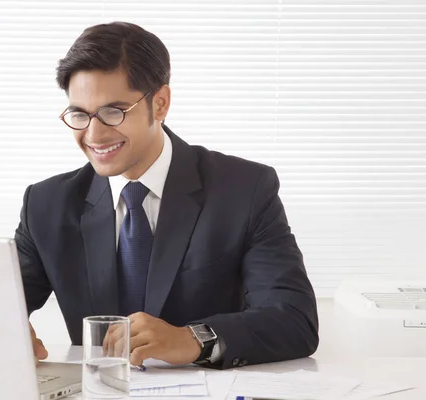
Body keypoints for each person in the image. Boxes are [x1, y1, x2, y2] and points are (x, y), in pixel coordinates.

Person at [16, 21, 319, 370]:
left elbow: (294, 320)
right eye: (80, 115)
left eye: (113, 112)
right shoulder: (46, 205)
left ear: (160, 104)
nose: (94, 135)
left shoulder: (244, 189)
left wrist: (193, 339)